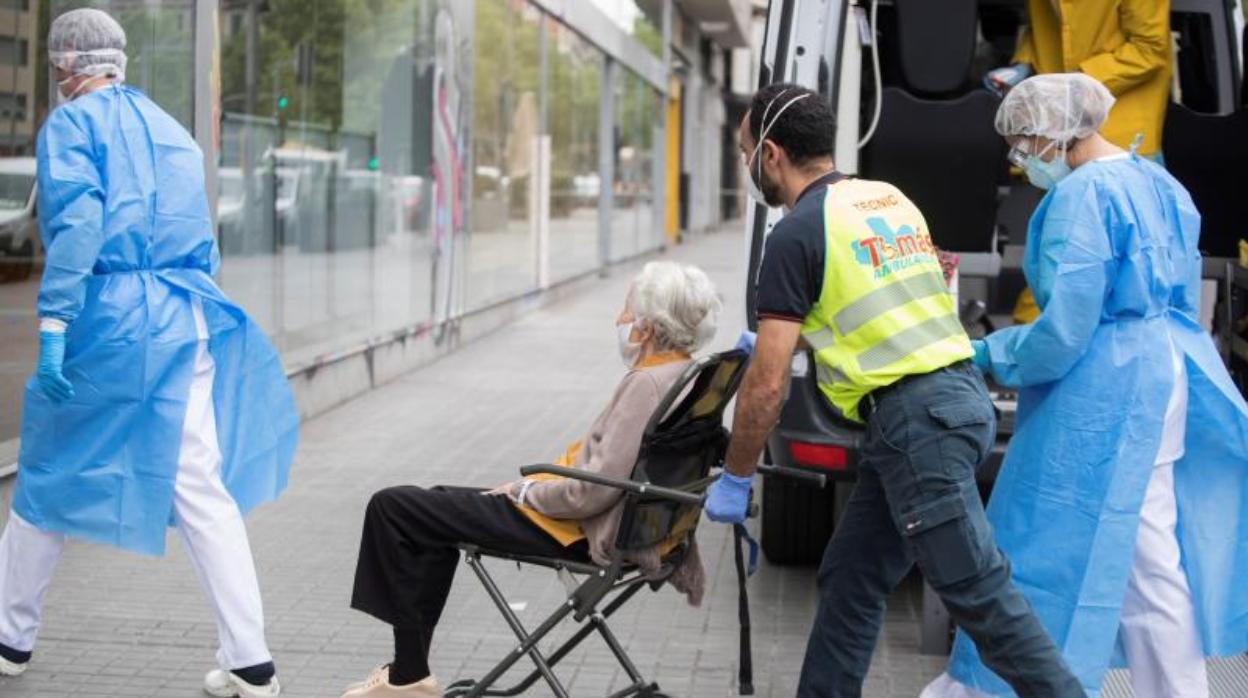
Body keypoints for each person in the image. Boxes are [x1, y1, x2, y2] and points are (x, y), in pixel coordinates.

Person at [702, 83, 1083, 697]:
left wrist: (738, 475)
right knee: (852, 576)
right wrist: (796, 335)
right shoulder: (888, 199)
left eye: (746, 151)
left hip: (918, 423)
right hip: (950, 400)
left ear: (770, 154)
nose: (746, 166)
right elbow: (886, 298)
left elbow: (766, 387)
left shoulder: (796, 233)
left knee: (978, 594)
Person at [0, 10, 298, 698]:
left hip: (109, 320)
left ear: (65, 65)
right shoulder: (167, 127)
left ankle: (11, 638)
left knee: (45, 473)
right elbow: (195, 222)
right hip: (184, 313)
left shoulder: (71, 126)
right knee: (199, 483)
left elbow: (77, 227)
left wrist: (53, 324)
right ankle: (252, 661)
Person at [922, 73, 1248, 698]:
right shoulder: (1157, 179)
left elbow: (1068, 328)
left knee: (1052, 541)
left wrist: (986, 351)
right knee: (1148, 556)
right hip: (1165, 370)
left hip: (1109, 391)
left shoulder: (1082, 197)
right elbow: (1177, 294)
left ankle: (986, 687)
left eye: (1022, 142)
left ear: (1052, 131)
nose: (1020, 160)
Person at [343, 261, 720, 697]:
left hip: (576, 528)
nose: (619, 319)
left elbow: (594, 491)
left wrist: (529, 490)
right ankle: (409, 674)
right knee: (433, 506)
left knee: (393, 507)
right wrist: (537, 482)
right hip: (614, 522)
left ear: (648, 327)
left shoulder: (646, 385)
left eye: (626, 310)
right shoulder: (686, 374)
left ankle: (407, 678)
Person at [986, 0, 1172, 324]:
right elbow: (1041, 33)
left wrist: (1069, 88)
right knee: (1062, 244)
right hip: (1058, 130)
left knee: (1108, 258)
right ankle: (1031, 327)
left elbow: (1150, 50)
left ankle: (1031, 329)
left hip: (1119, 124)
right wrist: (1024, 65)